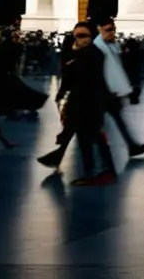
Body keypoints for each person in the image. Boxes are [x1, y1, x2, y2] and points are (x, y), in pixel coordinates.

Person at [37, 21, 117, 186]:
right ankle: (102, 172)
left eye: (82, 36)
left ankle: (97, 172)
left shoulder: (91, 55)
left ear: (91, 37)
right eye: (75, 36)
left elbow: (89, 80)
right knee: (90, 139)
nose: (78, 39)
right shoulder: (83, 53)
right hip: (81, 102)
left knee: (89, 139)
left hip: (89, 104)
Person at [94, 20, 144, 158]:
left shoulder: (111, 46)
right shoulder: (98, 48)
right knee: (87, 125)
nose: (111, 32)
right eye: (108, 29)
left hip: (109, 92)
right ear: (99, 29)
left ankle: (131, 146)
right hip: (101, 92)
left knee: (116, 120)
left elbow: (117, 68)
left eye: (113, 29)